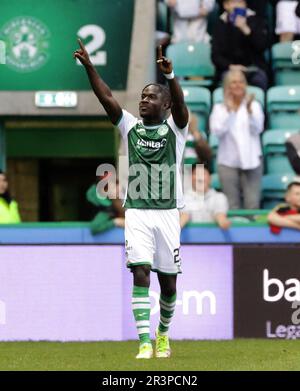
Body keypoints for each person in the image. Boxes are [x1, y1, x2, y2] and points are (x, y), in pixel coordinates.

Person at [74, 41, 189, 359]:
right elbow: (107, 97)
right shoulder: (130, 128)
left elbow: (182, 108)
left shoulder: (176, 131)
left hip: (167, 215)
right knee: (140, 271)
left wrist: (171, 77)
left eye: (151, 97)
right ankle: (143, 342)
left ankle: (163, 334)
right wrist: (90, 68)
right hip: (137, 212)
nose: (144, 101)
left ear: (165, 105)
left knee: (168, 285)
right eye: (142, 96)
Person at [209, 69, 264, 209]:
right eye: (234, 82)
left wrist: (250, 112)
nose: (238, 85)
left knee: (253, 205)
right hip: (228, 163)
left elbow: (258, 129)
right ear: (227, 87)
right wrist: (230, 111)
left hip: (252, 162)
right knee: (231, 205)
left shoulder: (254, 106)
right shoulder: (219, 108)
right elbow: (217, 131)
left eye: (241, 82)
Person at [211, 0, 269, 90]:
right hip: (229, 68)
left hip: (252, 67)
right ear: (226, 5)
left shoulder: (256, 20)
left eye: (240, 2)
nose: (237, 6)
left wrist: (246, 30)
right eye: (234, 2)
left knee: (259, 79)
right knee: (227, 80)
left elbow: (261, 47)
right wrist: (231, 66)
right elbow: (215, 55)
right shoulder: (220, 24)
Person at [180, 164, 231, 229]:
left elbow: (220, 215)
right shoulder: (184, 198)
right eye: (196, 174)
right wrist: (177, 227)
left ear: (210, 178)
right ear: (190, 179)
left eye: (203, 174)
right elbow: (184, 215)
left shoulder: (219, 197)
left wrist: (223, 222)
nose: (200, 178)